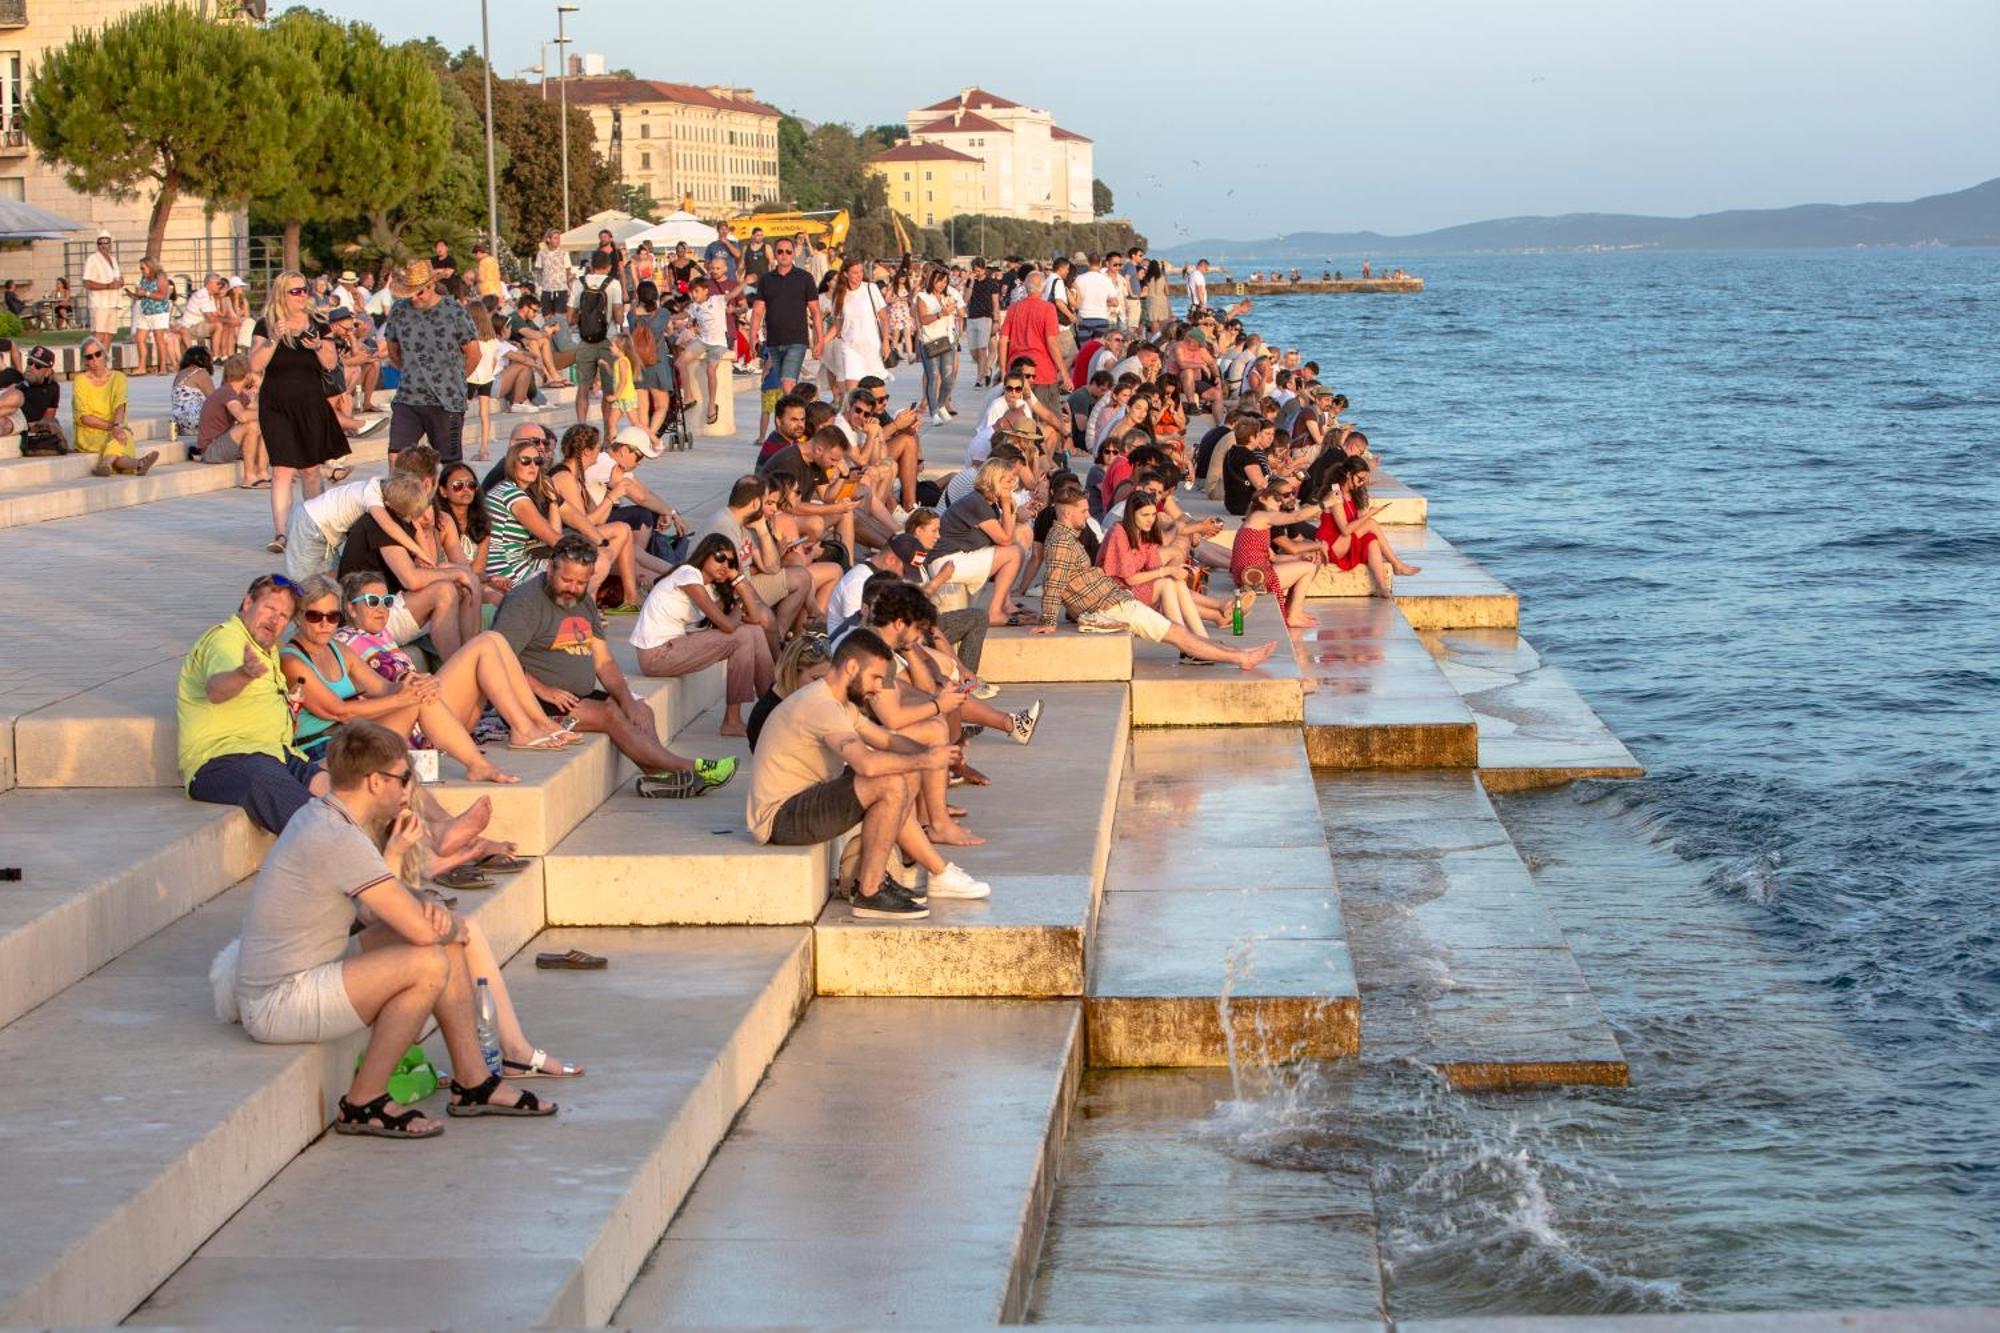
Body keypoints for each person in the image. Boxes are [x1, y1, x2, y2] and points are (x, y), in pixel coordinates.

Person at [228, 720, 554, 1139]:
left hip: (312, 969)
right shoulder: (335, 836)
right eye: (404, 778)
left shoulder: (335, 818)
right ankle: (364, 1102)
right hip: (278, 1001)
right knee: (429, 961)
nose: (409, 789)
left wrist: (426, 907)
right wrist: (441, 922)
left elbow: (371, 911)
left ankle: (474, 1083)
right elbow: (419, 934)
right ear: (374, 782)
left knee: (444, 946)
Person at [746, 629, 993, 920]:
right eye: (876, 677)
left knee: (901, 767)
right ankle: (871, 891)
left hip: (805, 801)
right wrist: (926, 758)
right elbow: (866, 765)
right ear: (852, 667)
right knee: (887, 781)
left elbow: (886, 739)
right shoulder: (820, 705)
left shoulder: (838, 702)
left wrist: (938, 752)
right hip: (782, 818)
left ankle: (932, 872)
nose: (878, 688)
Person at [492, 534, 737, 798]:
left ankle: (662, 777)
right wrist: (543, 690)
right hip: (534, 700)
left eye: (581, 582)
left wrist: (628, 701)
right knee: (610, 715)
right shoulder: (524, 602)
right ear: (550, 567)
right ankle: (688, 767)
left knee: (641, 709)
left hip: (575, 696)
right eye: (566, 579)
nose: (572, 588)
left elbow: (604, 660)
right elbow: (498, 658)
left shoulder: (583, 601)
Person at [280, 574, 518, 783]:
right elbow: (339, 711)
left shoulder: (336, 649)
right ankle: (480, 762)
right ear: (298, 617)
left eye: (332, 617)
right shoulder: (292, 660)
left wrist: (415, 684)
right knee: (413, 698)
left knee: (419, 694)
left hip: (351, 736)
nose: (325, 624)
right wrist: (403, 698)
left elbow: (383, 687)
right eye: (314, 616)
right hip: (323, 752)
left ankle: (478, 765)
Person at [1038, 489, 1276, 669]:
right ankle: (1240, 657)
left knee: (1178, 628)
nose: (1088, 515)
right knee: (1177, 633)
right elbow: (1054, 582)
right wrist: (1048, 620)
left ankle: (1226, 649)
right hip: (1109, 604)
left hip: (1114, 598)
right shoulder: (1061, 541)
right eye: (1083, 511)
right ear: (1067, 513)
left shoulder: (1065, 537)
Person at [179, 573, 332, 832]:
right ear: (248, 603)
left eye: (284, 615)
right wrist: (243, 674)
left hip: (276, 753)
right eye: (270, 608)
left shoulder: (268, 650)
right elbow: (216, 689)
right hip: (221, 761)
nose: (275, 619)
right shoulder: (227, 638)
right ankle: (339, 855)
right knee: (301, 810)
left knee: (342, 791)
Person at [631, 533, 776, 737]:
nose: (725, 565)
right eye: (719, 558)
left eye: (731, 562)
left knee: (753, 631)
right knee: (742, 636)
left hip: (675, 647)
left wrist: (739, 582)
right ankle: (736, 720)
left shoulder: (711, 589)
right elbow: (727, 626)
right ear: (706, 553)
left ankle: (771, 707)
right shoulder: (688, 574)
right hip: (656, 655)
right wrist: (738, 607)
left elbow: (755, 617)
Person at [252, 271, 349, 554]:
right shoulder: (265, 324)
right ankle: (281, 533)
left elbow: (331, 364)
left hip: (310, 403)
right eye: (295, 291)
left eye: (304, 289)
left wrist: (318, 345)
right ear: (281, 294)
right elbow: (255, 365)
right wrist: (272, 340)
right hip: (276, 405)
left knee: (309, 469)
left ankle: (313, 528)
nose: (302, 295)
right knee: (282, 469)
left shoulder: (318, 323)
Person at [336, 475, 483, 661]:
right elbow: (411, 579)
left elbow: (428, 565)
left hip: (389, 602)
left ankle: (471, 654)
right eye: (418, 512)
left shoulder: (403, 521)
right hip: (368, 612)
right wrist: (457, 573)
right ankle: (456, 665)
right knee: (444, 590)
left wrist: (455, 571)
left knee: (464, 583)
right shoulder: (379, 525)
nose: (426, 516)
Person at [286, 443, 436, 581]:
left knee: (331, 581)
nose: (408, 520)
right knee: (306, 581)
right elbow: (390, 527)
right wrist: (420, 553)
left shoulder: (391, 488)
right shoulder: (372, 498)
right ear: (389, 504)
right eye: (405, 516)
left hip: (322, 531)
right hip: (310, 525)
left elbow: (414, 524)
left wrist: (427, 558)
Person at [380, 260, 478, 467]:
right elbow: (392, 350)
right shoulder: (399, 310)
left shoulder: (454, 311)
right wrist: (412, 371)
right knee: (396, 458)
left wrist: (454, 379)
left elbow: (474, 354)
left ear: (432, 286)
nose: (414, 298)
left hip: (447, 402)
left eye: (419, 292)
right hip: (408, 398)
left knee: (450, 466)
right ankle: (399, 498)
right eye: (410, 293)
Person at [700, 473, 814, 649]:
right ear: (755, 503)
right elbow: (728, 581)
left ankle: (779, 640)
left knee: (801, 576)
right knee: (766, 618)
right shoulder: (725, 528)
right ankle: (777, 664)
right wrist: (757, 607)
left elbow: (771, 567)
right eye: (766, 501)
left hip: (742, 585)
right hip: (722, 596)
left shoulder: (743, 523)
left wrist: (762, 529)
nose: (773, 508)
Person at [1097, 495, 1230, 645]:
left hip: (1131, 588)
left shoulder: (1144, 531)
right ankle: (1186, 644)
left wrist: (1177, 569)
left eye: (1153, 514)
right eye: (1144, 515)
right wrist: (1168, 571)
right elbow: (1130, 578)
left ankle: (1202, 639)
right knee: (1166, 582)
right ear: (1131, 514)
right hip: (1114, 594)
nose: (1150, 519)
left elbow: (1153, 564)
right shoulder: (1119, 532)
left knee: (1176, 582)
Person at [931, 456, 1031, 628]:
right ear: (994, 481)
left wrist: (1007, 506)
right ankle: (994, 612)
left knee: (1015, 549)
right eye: (1007, 481)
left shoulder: (986, 502)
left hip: (955, 558)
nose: (1011, 486)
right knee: (1015, 552)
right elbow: (1006, 540)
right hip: (946, 562)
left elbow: (1006, 536)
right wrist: (1007, 505)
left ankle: (1004, 604)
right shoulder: (976, 503)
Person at [1313, 454, 1421, 596]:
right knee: (1370, 523)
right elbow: (1345, 530)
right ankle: (1397, 565)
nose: (1361, 483)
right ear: (1348, 474)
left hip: (1342, 541)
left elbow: (1353, 524)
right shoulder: (1336, 493)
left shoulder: (1349, 494)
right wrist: (1369, 515)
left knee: (1372, 540)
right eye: (1360, 479)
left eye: (1364, 480)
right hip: (1331, 544)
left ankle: (1381, 588)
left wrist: (1362, 514)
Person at [747, 236, 822, 437]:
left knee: (788, 385)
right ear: (775, 254)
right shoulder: (766, 280)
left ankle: (791, 431)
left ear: (793, 254)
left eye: (788, 251)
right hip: (774, 341)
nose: (784, 255)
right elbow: (757, 310)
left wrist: (819, 340)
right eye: (780, 251)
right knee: (784, 387)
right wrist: (752, 336)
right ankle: (802, 421)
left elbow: (815, 311)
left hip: (797, 340)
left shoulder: (804, 278)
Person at [1232, 483, 1324, 627]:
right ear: (1262, 499)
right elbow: (1297, 516)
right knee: (1309, 568)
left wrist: (1299, 558)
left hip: (1250, 574)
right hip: (1255, 575)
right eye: (1275, 498)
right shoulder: (1260, 516)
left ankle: (1293, 611)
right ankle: (1293, 615)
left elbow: (1273, 557)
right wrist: (1325, 504)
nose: (1279, 501)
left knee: (1306, 564)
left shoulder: (1258, 521)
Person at [72, 337, 158, 477]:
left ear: (104, 354)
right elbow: (84, 417)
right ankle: (137, 463)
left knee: (121, 437)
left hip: (115, 428)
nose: (94, 359)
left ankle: (106, 463)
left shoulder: (118, 377)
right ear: (85, 361)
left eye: (98, 354)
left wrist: (117, 426)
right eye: (89, 357)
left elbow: (120, 405)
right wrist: (114, 427)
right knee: (121, 438)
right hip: (91, 432)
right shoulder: (80, 381)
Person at [995, 270, 1067, 415]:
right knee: (1048, 419)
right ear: (1044, 287)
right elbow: (1051, 342)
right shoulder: (1048, 308)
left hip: (1016, 370)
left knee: (1019, 419)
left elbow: (1003, 340)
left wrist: (1003, 370)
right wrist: (1064, 372)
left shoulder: (1014, 308)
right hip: (1042, 371)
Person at [815, 257, 888, 397]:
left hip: (871, 346)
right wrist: (821, 343)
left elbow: (884, 318)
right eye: (855, 272)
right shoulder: (840, 294)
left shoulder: (871, 289)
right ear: (845, 274)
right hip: (850, 347)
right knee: (852, 392)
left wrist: (886, 342)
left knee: (875, 392)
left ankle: (872, 418)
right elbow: (838, 324)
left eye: (861, 271)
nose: (859, 275)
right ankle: (852, 417)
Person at [747, 633, 831, 751]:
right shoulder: (767, 716)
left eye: (827, 679)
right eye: (816, 679)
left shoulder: (805, 700)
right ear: (792, 673)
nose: (824, 685)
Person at [568, 252, 624, 429]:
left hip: (585, 340)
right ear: (609, 267)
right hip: (608, 341)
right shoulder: (613, 284)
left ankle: (581, 427)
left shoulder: (579, 283)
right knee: (609, 390)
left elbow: (569, 318)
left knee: (583, 387)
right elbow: (619, 317)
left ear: (591, 265)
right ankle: (608, 433)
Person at [0, 343, 64, 454]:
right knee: (16, 396)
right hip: (4, 406)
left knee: (3, 424)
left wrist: (35, 426)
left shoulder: (52, 388)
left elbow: (48, 418)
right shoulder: (14, 376)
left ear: (48, 371)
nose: (31, 367)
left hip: (21, 419)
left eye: (38, 366)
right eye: (30, 362)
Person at [131, 256, 176, 376]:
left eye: (143, 268)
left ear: (150, 267)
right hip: (145, 310)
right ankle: (141, 366)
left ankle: (163, 367)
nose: (141, 271)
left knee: (159, 339)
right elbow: (142, 293)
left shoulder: (160, 277)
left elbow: (162, 295)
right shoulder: (143, 278)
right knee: (139, 338)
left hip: (158, 311)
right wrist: (136, 295)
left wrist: (146, 293)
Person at [81, 230, 122, 345]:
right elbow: (86, 282)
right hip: (99, 303)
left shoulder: (113, 259)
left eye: (106, 242)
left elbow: (117, 277)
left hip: (113, 302)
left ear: (110, 244)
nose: (104, 245)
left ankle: (104, 361)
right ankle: (93, 360)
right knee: (98, 335)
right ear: (97, 245)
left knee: (109, 334)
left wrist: (120, 282)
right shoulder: (92, 259)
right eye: (101, 243)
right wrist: (107, 286)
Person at [533, 229, 574, 314]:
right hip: (546, 289)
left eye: (558, 238)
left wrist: (570, 287)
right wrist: (538, 287)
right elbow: (538, 271)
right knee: (547, 315)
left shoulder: (564, 253)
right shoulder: (541, 253)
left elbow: (568, 270)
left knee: (559, 315)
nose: (558, 241)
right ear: (548, 239)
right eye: (555, 238)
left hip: (561, 289)